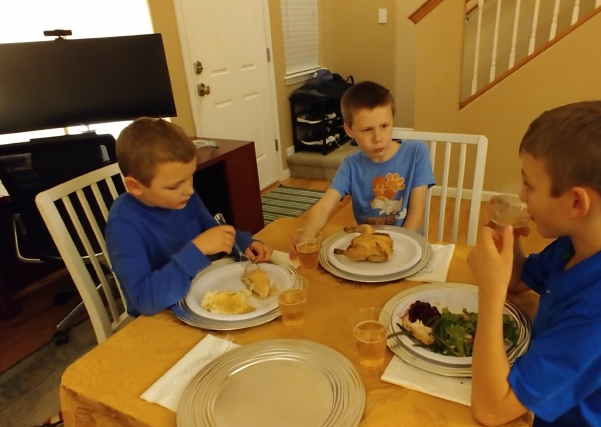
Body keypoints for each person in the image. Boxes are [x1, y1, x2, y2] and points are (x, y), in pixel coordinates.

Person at [466, 100, 601, 427]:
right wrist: (507, 239)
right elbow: (521, 279)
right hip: (549, 417)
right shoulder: (581, 244)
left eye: (530, 185)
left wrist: (490, 292)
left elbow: (491, 409)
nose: (522, 195)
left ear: (576, 202)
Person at [106, 117, 271, 317]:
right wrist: (198, 249)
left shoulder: (183, 197)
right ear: (135, 186)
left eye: (190, 177)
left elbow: (213, 231)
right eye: (174, 186)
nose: (189, 190)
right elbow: (145, 301)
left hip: (199, 293)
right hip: (161, 314)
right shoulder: (123, 225)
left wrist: (244, 243)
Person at [289, 81, 435, 257]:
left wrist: (393, 250)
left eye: (384, 126)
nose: (378, 137)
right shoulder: (351, 165)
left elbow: (416, 213)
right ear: (349, 130)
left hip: (407, 245)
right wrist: (309, 232)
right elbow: (324, 205)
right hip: (369, 248)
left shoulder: (416, 152)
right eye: (367, 130)